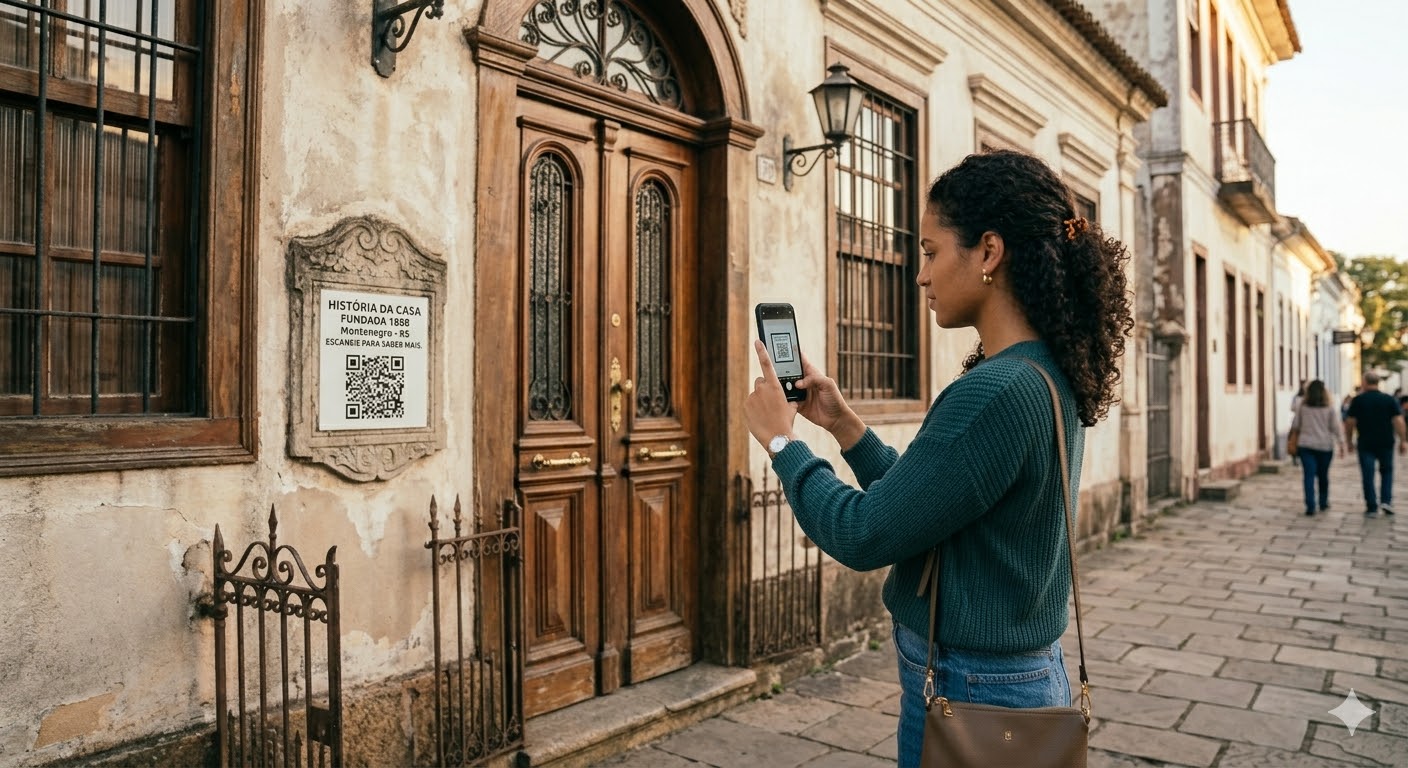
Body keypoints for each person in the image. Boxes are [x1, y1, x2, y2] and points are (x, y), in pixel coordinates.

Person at [743, 149, 1133, 767]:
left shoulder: (996, 391)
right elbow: (927, 501)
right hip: (1010, 683)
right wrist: (843, 425)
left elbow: (866, 533)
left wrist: (783, 444)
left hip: (972, 690)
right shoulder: (1039, 375)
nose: (920, 275)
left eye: (930, 252)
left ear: (988, 252)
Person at [1344, 371, 1407, 517]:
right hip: (1385, 441)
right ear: (1378, 382)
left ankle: (1371, 506)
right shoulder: (1388, 399)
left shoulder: (1358, 400)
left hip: (1366, 443)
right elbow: (1399, 421)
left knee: (1368, 474)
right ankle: (1386, 500)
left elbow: (1350, 422)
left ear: (1365, 382)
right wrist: (1403, 441)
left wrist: (1348, 441)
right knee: (1387, 472)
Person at [1289, 380, 1343, 516]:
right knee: (1323, 475)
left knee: (1308, 475)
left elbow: (1295, 425)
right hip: (1325, 446)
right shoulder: (1329, 408)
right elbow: (1335, 427)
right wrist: (1342, 443)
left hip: (1306, 445)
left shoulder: (1303, 406)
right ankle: (1323, 502)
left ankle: (1310, 505)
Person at [1289, 380, 1308, 466]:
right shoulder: (1307, 398)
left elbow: (1292, 408)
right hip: (1303, 423)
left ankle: (1297, 457)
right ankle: (1298, 457)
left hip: (1298, 421)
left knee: (1294, 439)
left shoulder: (1296, 397)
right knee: (1295, 440)